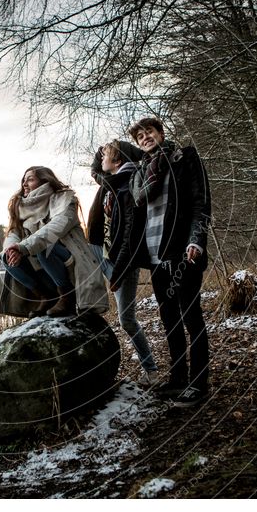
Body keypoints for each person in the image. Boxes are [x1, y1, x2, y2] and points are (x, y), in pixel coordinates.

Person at [129, 117, 212, 405]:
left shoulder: (184, 157)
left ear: (161, 133)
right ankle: (178, 379)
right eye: (139, 136)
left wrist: (196, 240)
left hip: (183, 252)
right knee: (169, 320)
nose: (144, 138)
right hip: (155, 257)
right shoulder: (143, 171)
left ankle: (199, 384)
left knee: (192, 317)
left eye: (149, 131)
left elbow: (201, 203)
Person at [87, 140, 158, 386]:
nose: (100, 159)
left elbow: (130, 235)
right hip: (102, 253)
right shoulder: (109, 183)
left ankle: (151, 370)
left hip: (123, 261)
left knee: (127, 320)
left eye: (105, 155)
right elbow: (95, 170)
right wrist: (102, 150)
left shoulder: (128, 186)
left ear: (117, 162)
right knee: (78, 255)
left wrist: (117, 273)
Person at [0, 166, 108, 317]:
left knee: (45, 247)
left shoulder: (66, 200)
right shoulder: (20, 207)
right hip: (43, 270)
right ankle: (46, 297)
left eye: (30, 179)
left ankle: (67, 296)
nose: (24, 184)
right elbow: (13, 232)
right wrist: (12, 249)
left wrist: (23, 247)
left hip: (70, 265)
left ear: (45, 181)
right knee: (6, 256)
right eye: (23, 180)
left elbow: (52, 230)